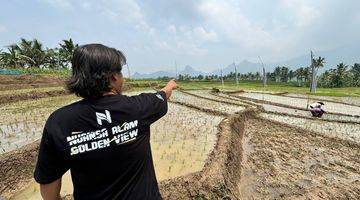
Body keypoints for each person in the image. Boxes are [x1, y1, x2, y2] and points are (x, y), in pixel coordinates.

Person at [34, 44, 177, 200]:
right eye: (120, 72)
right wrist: (170, 85)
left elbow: (48, 184)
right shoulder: (139, 107)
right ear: (113, 77)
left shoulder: (59, 122)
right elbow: (163, 95)